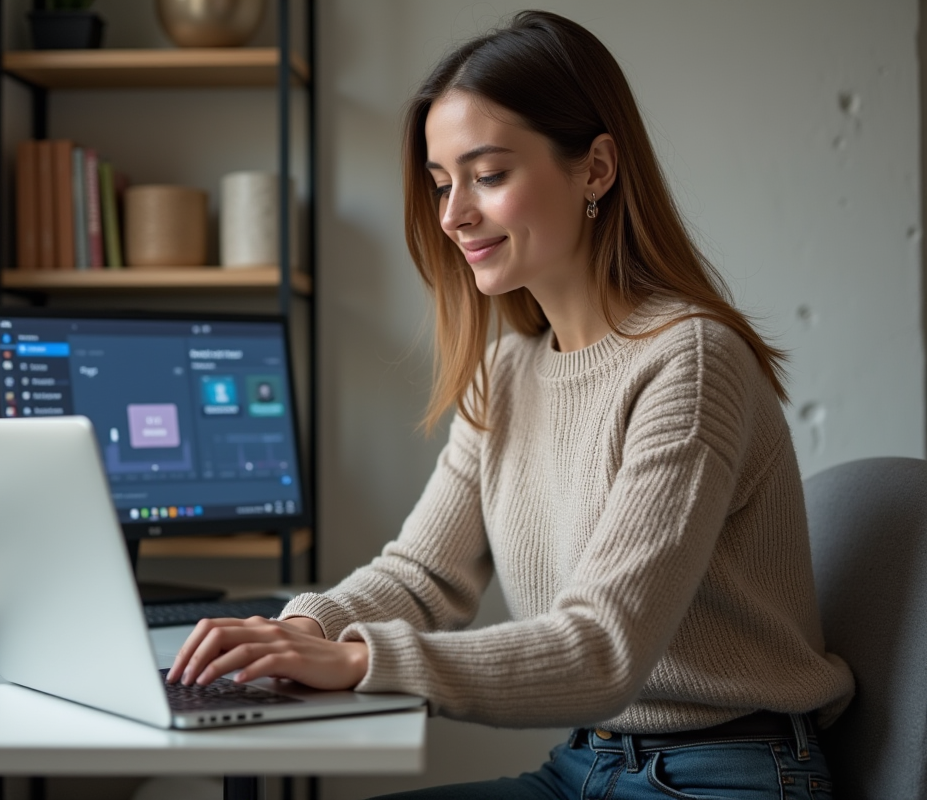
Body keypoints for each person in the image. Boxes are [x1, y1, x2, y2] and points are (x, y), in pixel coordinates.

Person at [168, 10, 854, 798]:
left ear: (596, 169)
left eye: (487, 176)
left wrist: (360, 660)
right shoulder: (506, 370)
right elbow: (424, 576)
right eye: (439, 183)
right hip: (588, 762)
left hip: (725, 773)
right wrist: (298, 631)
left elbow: (603, 650)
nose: (454, 214)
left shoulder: (689, 363)